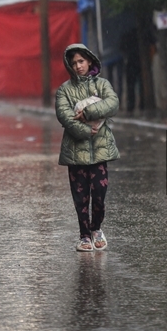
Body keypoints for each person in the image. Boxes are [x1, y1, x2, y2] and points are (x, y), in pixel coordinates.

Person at [55, 43, 120, 252]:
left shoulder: (102, 84)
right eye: (73, 63)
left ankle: (96, 228)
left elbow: (113, 103)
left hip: (100, 149)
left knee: (99, 192)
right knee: (80, 196)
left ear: (89, 61)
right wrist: (85, 131)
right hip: (75, 151)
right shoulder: (64, 90)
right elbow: (64, 116)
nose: (78, 66)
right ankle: (84, 235)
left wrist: (88, 112)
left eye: (81, 61)